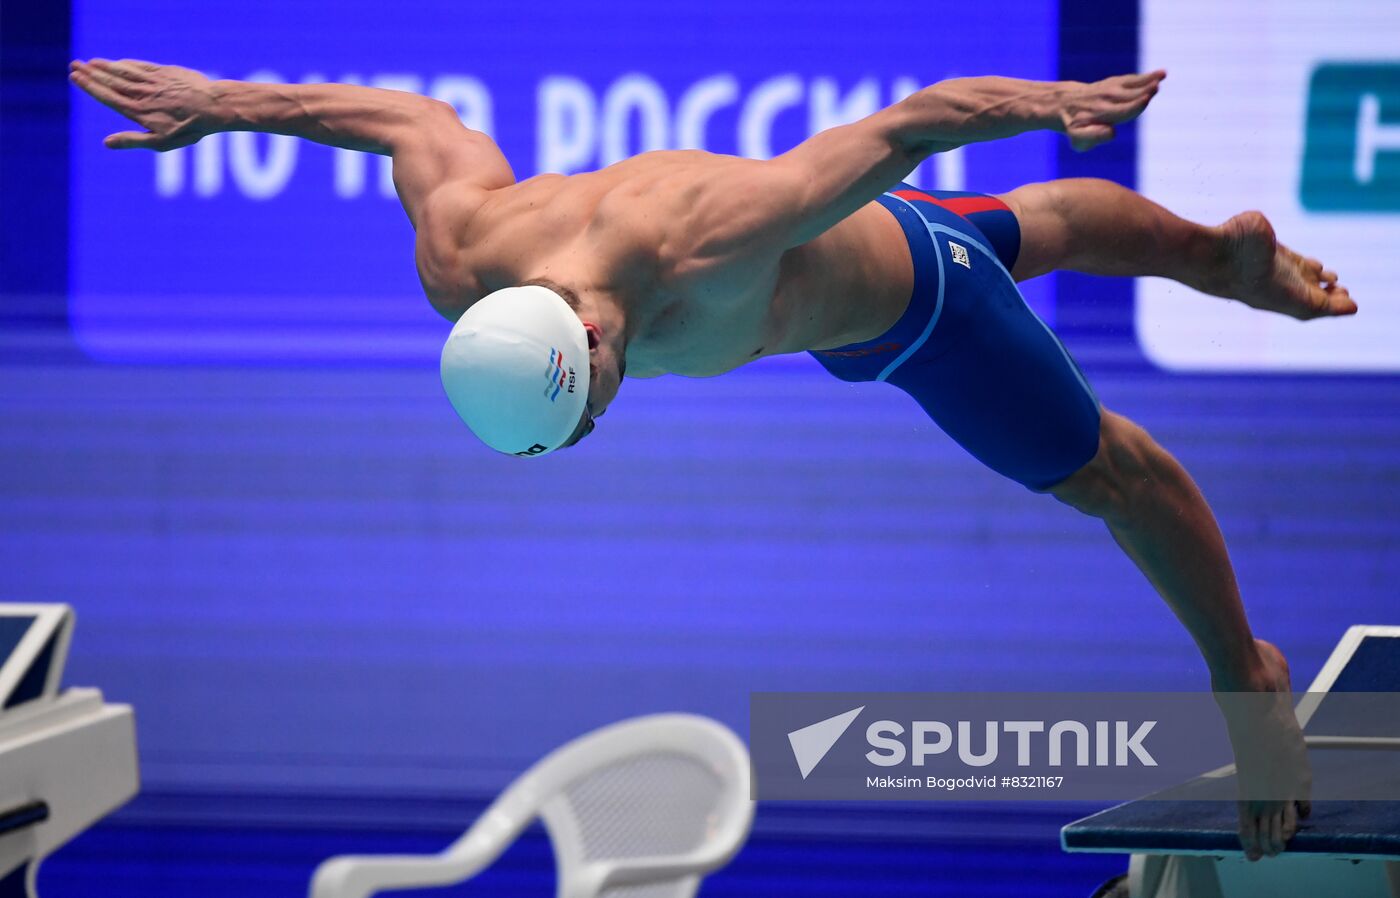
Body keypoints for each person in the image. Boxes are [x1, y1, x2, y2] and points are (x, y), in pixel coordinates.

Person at [71, 58, 1353, 861]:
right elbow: (408, 117)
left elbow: (916, 119)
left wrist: (1053, 104)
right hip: (829, 292)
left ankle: (1244, 679)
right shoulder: (462, 250)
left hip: (908, 306)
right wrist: (221, 107)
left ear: (589, 343)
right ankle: (1217, 260)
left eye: (586, 410)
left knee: (1111, 471)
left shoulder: (706, 238)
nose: (594, 431)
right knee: (1041, 230)